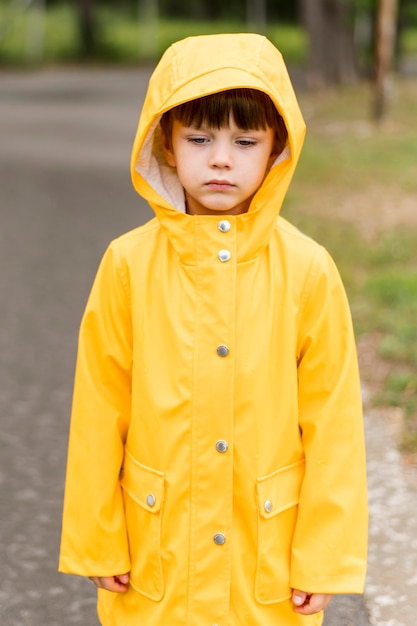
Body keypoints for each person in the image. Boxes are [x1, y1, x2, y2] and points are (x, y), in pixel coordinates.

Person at [59, 33, 368, 626]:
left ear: (277, 149)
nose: (221, 159)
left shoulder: (308, 270)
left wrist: (323, 556)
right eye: (200, 139)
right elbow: (100, 406)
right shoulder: (127, 264)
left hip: (266, 562)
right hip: (158, 555)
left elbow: (332, 423)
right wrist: (98, 537)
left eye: (244, 141)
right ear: (168, 145)